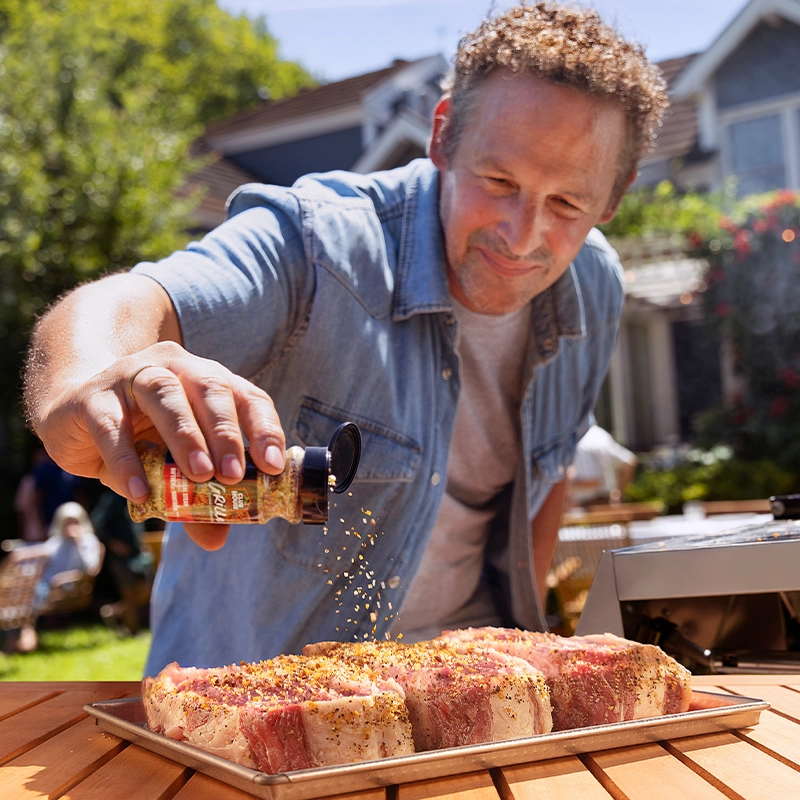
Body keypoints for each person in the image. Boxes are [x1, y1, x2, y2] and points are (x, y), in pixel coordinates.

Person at [22, 3, 668, 674]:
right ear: (443, 136)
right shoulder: (316, 245)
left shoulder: (596, 283)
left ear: (613, 197)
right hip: (261, 704)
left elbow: (551, 470)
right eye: (498, 180)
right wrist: (86, 382)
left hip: (472, 691)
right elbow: (123, 301)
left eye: (568, 204)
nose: (523, 235)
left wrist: (531, 651)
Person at [567, 424, 639, 507]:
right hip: (608, 503)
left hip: (590, 506)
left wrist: (567, 485)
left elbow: (592, 480)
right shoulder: (601, 435)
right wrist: (618, 494)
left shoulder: (580, 441)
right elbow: (630, 461)